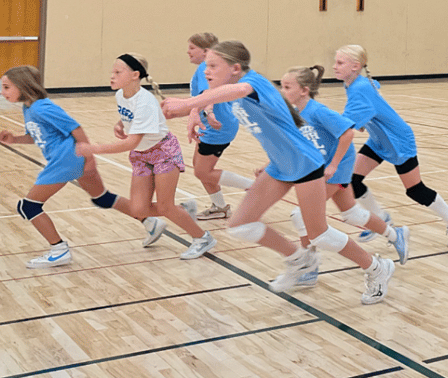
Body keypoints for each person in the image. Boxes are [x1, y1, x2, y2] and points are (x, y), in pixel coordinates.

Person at [161, 41, 396, 304]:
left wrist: (187, 103)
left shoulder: (253, 82)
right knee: (240, 225)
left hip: (305, 164)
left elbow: (236, 89)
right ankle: (299, 260)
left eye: (214, 65)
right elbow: (220, 94)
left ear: (236, 68)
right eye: (207, 65)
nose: (207, 70)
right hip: (280, 166)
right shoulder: (231, 89)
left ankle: (376, 267)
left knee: (318, 233)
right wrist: (195, 111)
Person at [74, 54, 217, 260]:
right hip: (141, 155)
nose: (111, 76)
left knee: (165, 206)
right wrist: (120, 124)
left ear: (135, 75)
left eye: (117, 72)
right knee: (138, 208)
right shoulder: (121, 95)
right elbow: (128, 118)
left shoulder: (146, 101)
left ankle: (203, 238)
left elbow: (130, 142)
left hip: (163, 152)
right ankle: (183, 210)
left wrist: (94, 149)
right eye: (111, 72)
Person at [0, 66, 145, 268]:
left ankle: (59, 250)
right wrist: (14, 139)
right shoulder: (29, 108)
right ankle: (150, 221)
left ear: (23, 86)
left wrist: (90, 158)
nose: (2, 92)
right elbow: (38, 136)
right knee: (102, 198)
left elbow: (75, 128)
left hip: (67, 159)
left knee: (28, 206)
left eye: (6, 87)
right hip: (71, 159)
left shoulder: (42, 107)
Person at [333, 44, 448, 248]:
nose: (334, 66)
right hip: (379, 140)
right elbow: (375, 94)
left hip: (398, 141)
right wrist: (365, 120)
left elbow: (344, 125)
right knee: (353, 180)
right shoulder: (354, 83)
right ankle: (380, 219)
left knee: (415, 189)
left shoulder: (359, 88)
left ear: (355, 66)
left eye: (339, 62)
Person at [279, 65, 410, 267]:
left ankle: (309, 268)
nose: (282, 91)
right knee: (352, 214)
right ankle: (395, 234)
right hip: (323, 170)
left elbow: (347, 134)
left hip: (336, 169)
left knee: (301, 215)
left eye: (287, 87)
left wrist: (333, 165)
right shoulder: (296, 114)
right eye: (282, 86)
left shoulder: (318, 111)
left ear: (304, 90)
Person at [182, 32, 254, 219]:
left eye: (192, 48)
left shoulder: (206, 68)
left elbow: (209, 93)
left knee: (202, 171)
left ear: (206, 51)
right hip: (211, 125)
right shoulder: (203, 69)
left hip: (218, 127)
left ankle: (254, 186)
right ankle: (220, 206)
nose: (188, 52)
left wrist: (209, 111)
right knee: (200, 168)